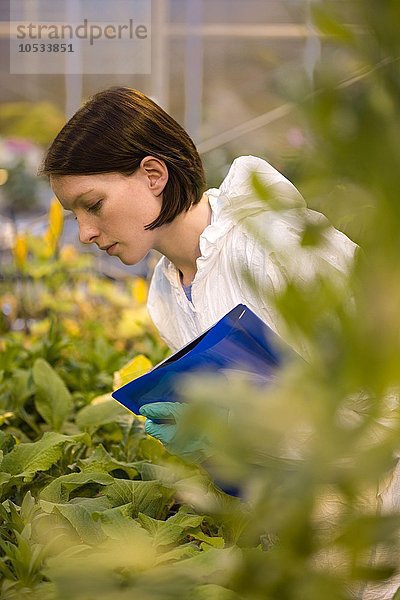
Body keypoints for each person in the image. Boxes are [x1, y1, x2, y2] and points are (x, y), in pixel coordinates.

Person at [39, 86, 357, 461]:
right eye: (76, 215)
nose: (85, 233)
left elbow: (381, 404)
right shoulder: (164, 290)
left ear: (153, 174)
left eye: (94, 205)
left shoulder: (279, 248)